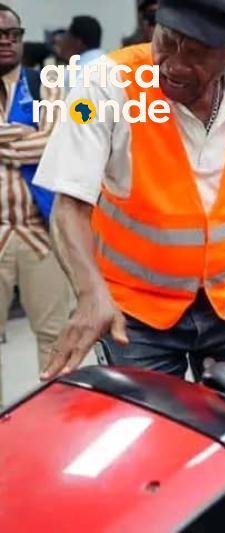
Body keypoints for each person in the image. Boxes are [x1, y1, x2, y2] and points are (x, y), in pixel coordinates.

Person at [33, 0, 225, 380]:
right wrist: (90, 293)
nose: (174, 65)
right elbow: (69, 205)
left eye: (197, 53)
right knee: (147, 415)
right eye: (166, 42)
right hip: (136, 312)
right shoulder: (104, 84)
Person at [0, 3, 70, 405]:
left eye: (14, 34)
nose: (7, 41)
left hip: (41, 232)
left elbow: (55, 140)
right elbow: (37, 141)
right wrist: (26, 134)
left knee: (55, 337)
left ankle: (56, 419)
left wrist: (16, 140)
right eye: (0, 35)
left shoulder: (45, 84)